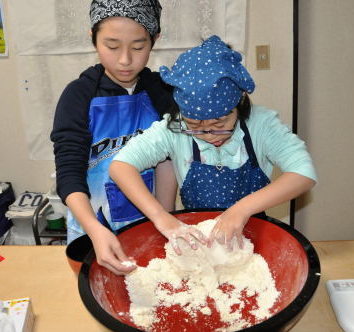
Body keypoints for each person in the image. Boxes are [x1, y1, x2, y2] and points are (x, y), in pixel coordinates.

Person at [109, 35, 317, 256]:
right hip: (198, 241)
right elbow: (120, 166)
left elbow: (303, 174)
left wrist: (241, 210)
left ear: (240, 102)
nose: (208, 134)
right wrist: (162, 218)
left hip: (253, 241)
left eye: (220, 123)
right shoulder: (174, 129)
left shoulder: (262, 125)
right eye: (195, 125)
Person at [50, 0, 178, 275]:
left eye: (138, 47)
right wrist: (94, 231)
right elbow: (69, 172)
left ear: (154, 40)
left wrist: (165, 220)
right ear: (93, 39)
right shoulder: (78, 96)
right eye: (112, 46)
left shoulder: (161, 92)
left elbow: (168, 160)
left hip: (149, 221)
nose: (125, 60)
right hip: (92, 224)